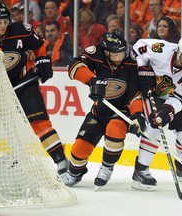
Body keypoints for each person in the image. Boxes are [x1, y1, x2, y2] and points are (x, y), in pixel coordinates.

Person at [0, 2, 68, 177]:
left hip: (25, 82)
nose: (3, 25)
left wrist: (42, 60)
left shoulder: (20, 29)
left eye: (5, 21)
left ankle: (60, 160)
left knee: (40, 123)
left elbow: (39, 45)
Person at [61, 31, 145, 189]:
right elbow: (73, 67)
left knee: (115, 130)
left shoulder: (131, 61)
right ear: (106, 52)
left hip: (122, 110)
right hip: (100, 109)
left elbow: (134, 93)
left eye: (122, 53)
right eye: (116, 55)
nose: (120, 58)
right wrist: (93, 81)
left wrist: (137, 115)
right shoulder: (96, 53)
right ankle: (74, 173)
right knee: (80, 146)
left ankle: (107, 167)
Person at [132, 34, 182, 191]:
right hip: (151, 92)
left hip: (174, 99)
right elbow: (138, 47)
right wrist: (143, 68)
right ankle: (140, 170)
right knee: (155, 127)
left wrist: (169, 110)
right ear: (179, 51)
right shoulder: (162, 49)